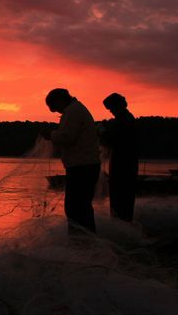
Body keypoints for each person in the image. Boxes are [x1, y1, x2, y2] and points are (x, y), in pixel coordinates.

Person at [41, 88, 101, 235]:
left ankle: (82, 242)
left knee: (76, 207)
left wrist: (50, 134)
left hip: (82, 166)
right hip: (84, 165)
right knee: (81, 206)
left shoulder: (73, 111)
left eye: (55, 108)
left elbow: (68, 137)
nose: (57, 112)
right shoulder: (75, 109)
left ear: (60, 101)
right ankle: (84, 240)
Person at [100, 93, 138, 222]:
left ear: (117, 106)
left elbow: (114, 141)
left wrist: (102, 131)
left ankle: (120, 225)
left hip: (122, 164)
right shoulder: (126, 118)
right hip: (127, 163)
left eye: (111, 108)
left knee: (119, 196)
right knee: (124, 197)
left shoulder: (124, 120)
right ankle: (123, 224)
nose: (110, 112)